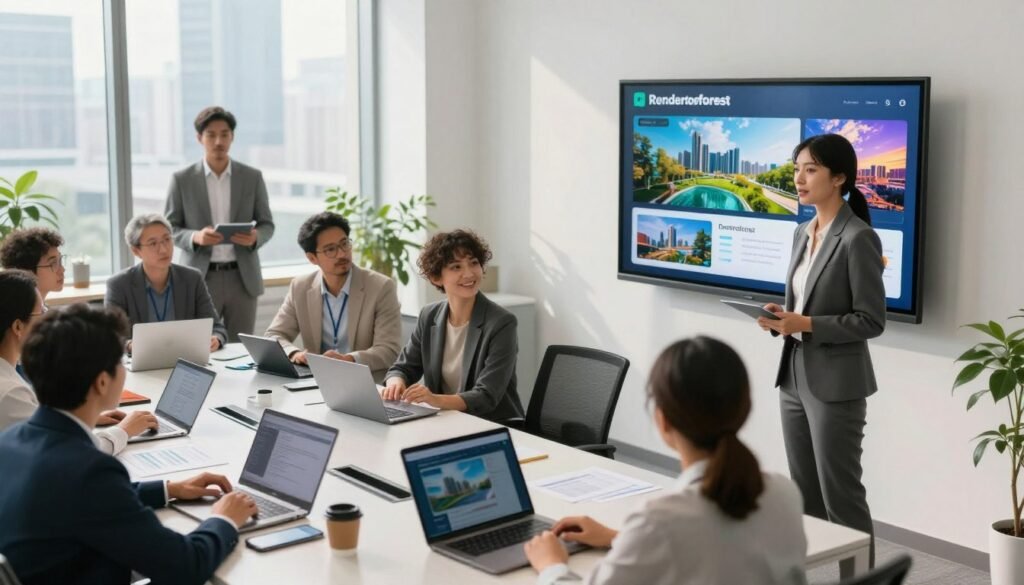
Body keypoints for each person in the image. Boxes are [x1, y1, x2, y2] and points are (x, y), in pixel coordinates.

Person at [0, 303, 257, 585]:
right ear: (101, 382)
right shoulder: (90, 472)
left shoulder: (10, 442)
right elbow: (186, 564)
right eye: (119, 362)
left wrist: (168, 489)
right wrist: (224, 519)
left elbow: (82, 499)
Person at [524, 337, 808, 585]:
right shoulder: (783, 493)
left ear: (663, 420)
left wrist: (551, 565)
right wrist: (620, 538)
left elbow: (684, 534)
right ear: (744, 409)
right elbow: (711, 543)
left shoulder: (659, 520)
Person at [756, 133, 886, 566]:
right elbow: (803, 302)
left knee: (841, 499)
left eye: (810, 169)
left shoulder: (858, 237)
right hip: (793, 375)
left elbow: (871, 321)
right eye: (796, 168)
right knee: (804, 495)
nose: (798, 178)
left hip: (836, 384)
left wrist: (805, 324)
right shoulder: (801, 232)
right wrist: (782, 319)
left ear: (839, 178)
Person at [0, 270, 155, 452]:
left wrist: (79, 417)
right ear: (18, 326)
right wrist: (123, 430)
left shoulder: (10, 377)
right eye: (41, 311)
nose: (46, 317)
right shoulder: (10, 393)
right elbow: (67, 454)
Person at [382, 229, 523, 422]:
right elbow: (403, 368)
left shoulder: (502, 323)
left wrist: (434, 400)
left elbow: (486, 396)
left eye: (474, 263)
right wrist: (395, 383)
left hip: (491, 424)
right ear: (436, 277)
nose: (468, 273)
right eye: (456, 267)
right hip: (445, 421)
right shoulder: (429, 315)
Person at [164, 106, 275, 341]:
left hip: (242, 278)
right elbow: (169, 229)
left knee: (241, 350)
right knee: (200, 346)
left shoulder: (252, 177)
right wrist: (195, 237)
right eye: (211, 135)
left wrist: (256, 237)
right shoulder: (181, 180)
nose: (218, 141)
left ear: (232, 137)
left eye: (224, 134)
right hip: (201, 278)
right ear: (199, 138)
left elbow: (267, 224)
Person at [265, 211, 401, 381]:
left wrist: (349, 359)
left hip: (365, 382)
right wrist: (295, 353)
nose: (342, 254)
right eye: (330, 249)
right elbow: (274, 335)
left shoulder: (380, 287)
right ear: (312, 258)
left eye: (345, 244)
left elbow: (389, 350)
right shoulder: (300, 287)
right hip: (317, 382)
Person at [105, 213, 228, 351]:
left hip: (185, 361)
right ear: (136, 251)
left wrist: (216, 338)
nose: (163, 249)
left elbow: (217, 327)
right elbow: (110, 336)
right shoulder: (119, 285)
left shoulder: (192, 279)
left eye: (167, 240)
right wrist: (129, 345)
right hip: (141, 364)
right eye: (153, 243)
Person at [0, 227, 66, 302]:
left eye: (60, 261)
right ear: (27, 271)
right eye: (53, 263)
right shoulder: (18, 313)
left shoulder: (43, 310)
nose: (62, 270)